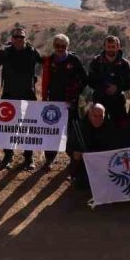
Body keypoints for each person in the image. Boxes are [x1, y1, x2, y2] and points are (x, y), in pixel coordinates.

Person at [0, 26, 41, 170]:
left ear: (25, 38)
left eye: (21, 37)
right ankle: (8, 157)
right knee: (8, 127)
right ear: (12, 38)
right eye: (16, 37)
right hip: (9, 95)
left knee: (29, 127)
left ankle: (29, 158)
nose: (19, 39)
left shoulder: (32, 51)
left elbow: (46, 63)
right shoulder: (4, 52)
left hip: (28, 95)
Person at [41, 34, 88, 168]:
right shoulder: (49, 60)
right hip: (54, 101)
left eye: (63, 46)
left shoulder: (74, 60)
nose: (60, 48)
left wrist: (75, 93)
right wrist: (45, 97)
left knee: (72, 131)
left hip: (70, 102)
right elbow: (46, 81)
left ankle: (73, 160)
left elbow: (84, 79)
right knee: (52, 130)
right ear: (53, 46)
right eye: (58, 46)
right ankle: (49, 159)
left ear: (67, 46)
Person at [68, 103, 118, 188]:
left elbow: (115, 147)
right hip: (85, 163)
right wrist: (75, 154)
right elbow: (70, 147)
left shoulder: (110, 127)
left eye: (101, 116)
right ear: (89, 116)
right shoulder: (79, 127)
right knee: (82, 185)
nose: (98, 119)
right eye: (95, 116)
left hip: (104, 163)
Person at [87, 35, 130, 128]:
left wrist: (117, 87)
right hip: (100, 99)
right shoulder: (96, 62)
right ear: (104, 47)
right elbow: (90, 81)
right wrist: (104, 88)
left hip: (118, 101)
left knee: (120, 127)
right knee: (98, 127)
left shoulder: (124, 64)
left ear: (118, 47)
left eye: (113, 47)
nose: (111, 49)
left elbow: (129, 83)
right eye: (108, 47)